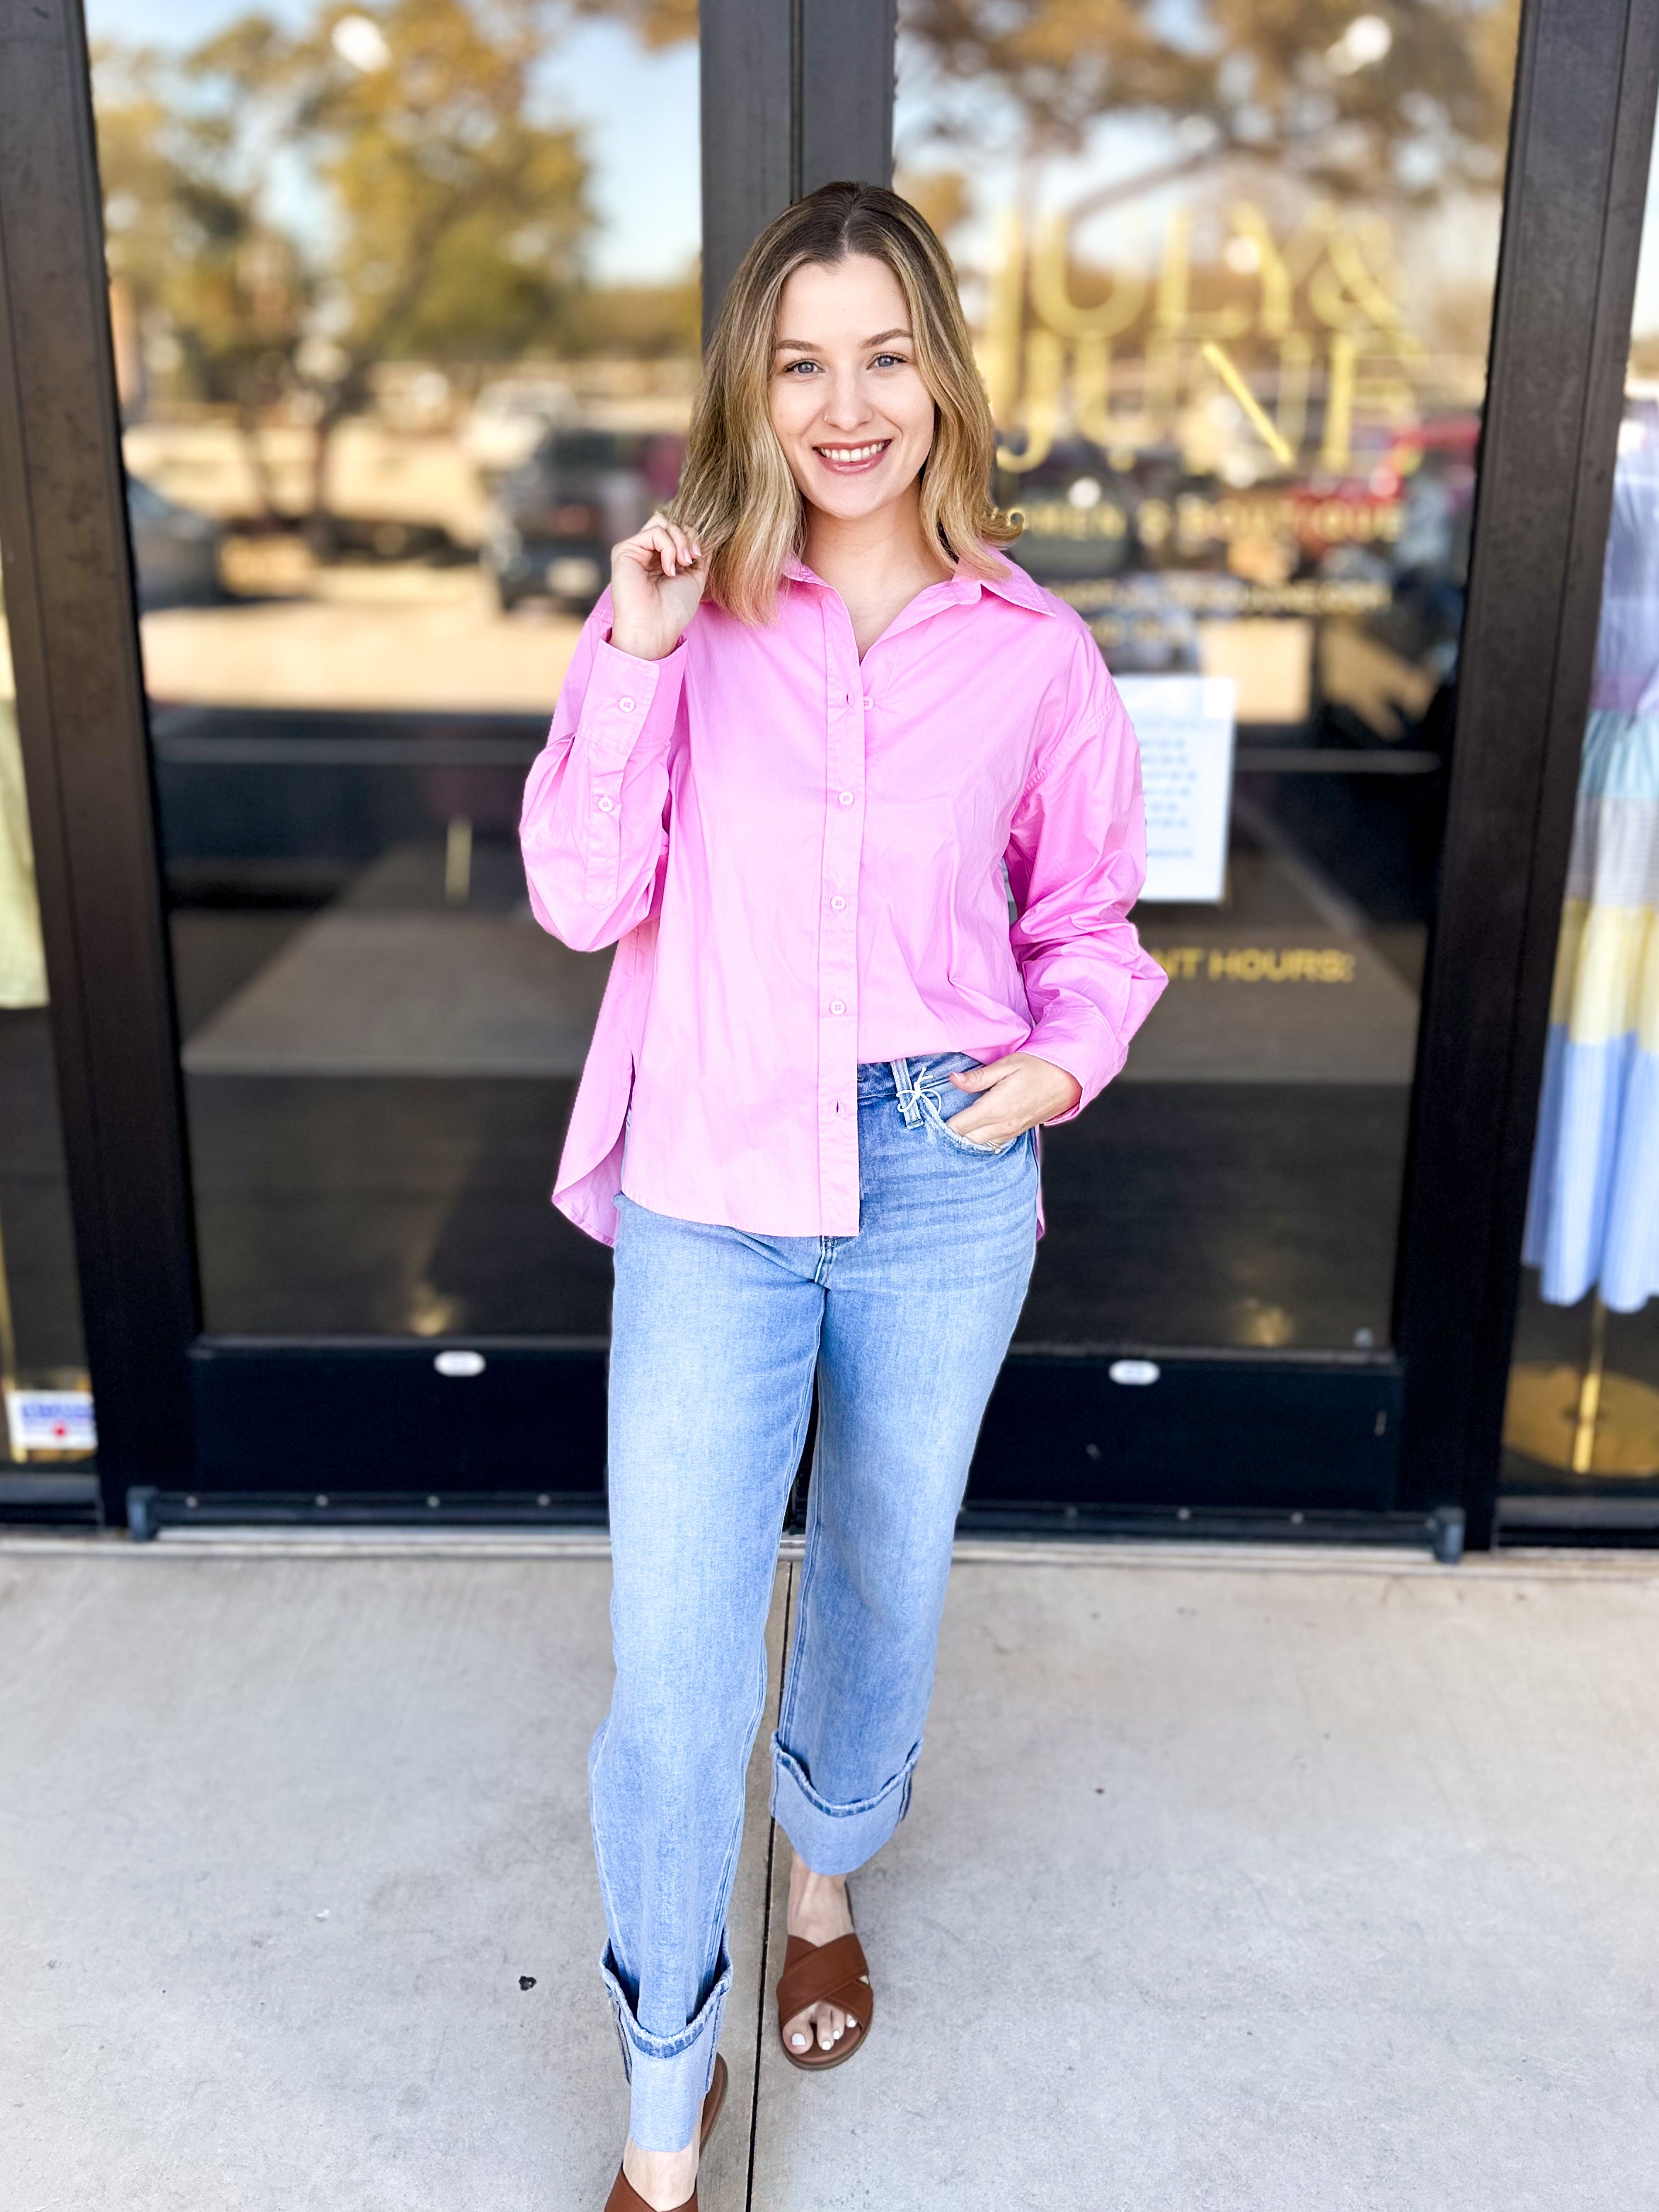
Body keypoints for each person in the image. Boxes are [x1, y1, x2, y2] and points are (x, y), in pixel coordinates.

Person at [520, 180, 1165, 2211]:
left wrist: (1066, 1056)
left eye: (884, 353)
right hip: (717, 1173)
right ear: (753, 386)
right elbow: (575, 894)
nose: (845, 401)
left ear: (942, 374)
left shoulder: (1036, 652)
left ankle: (823, 1876)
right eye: (801, 361)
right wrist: (628, 652)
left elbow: (1091, 920)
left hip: (941, 1168)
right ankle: (660, 2084)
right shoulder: (676, 619)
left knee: (881, 1576)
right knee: (677, 1659)